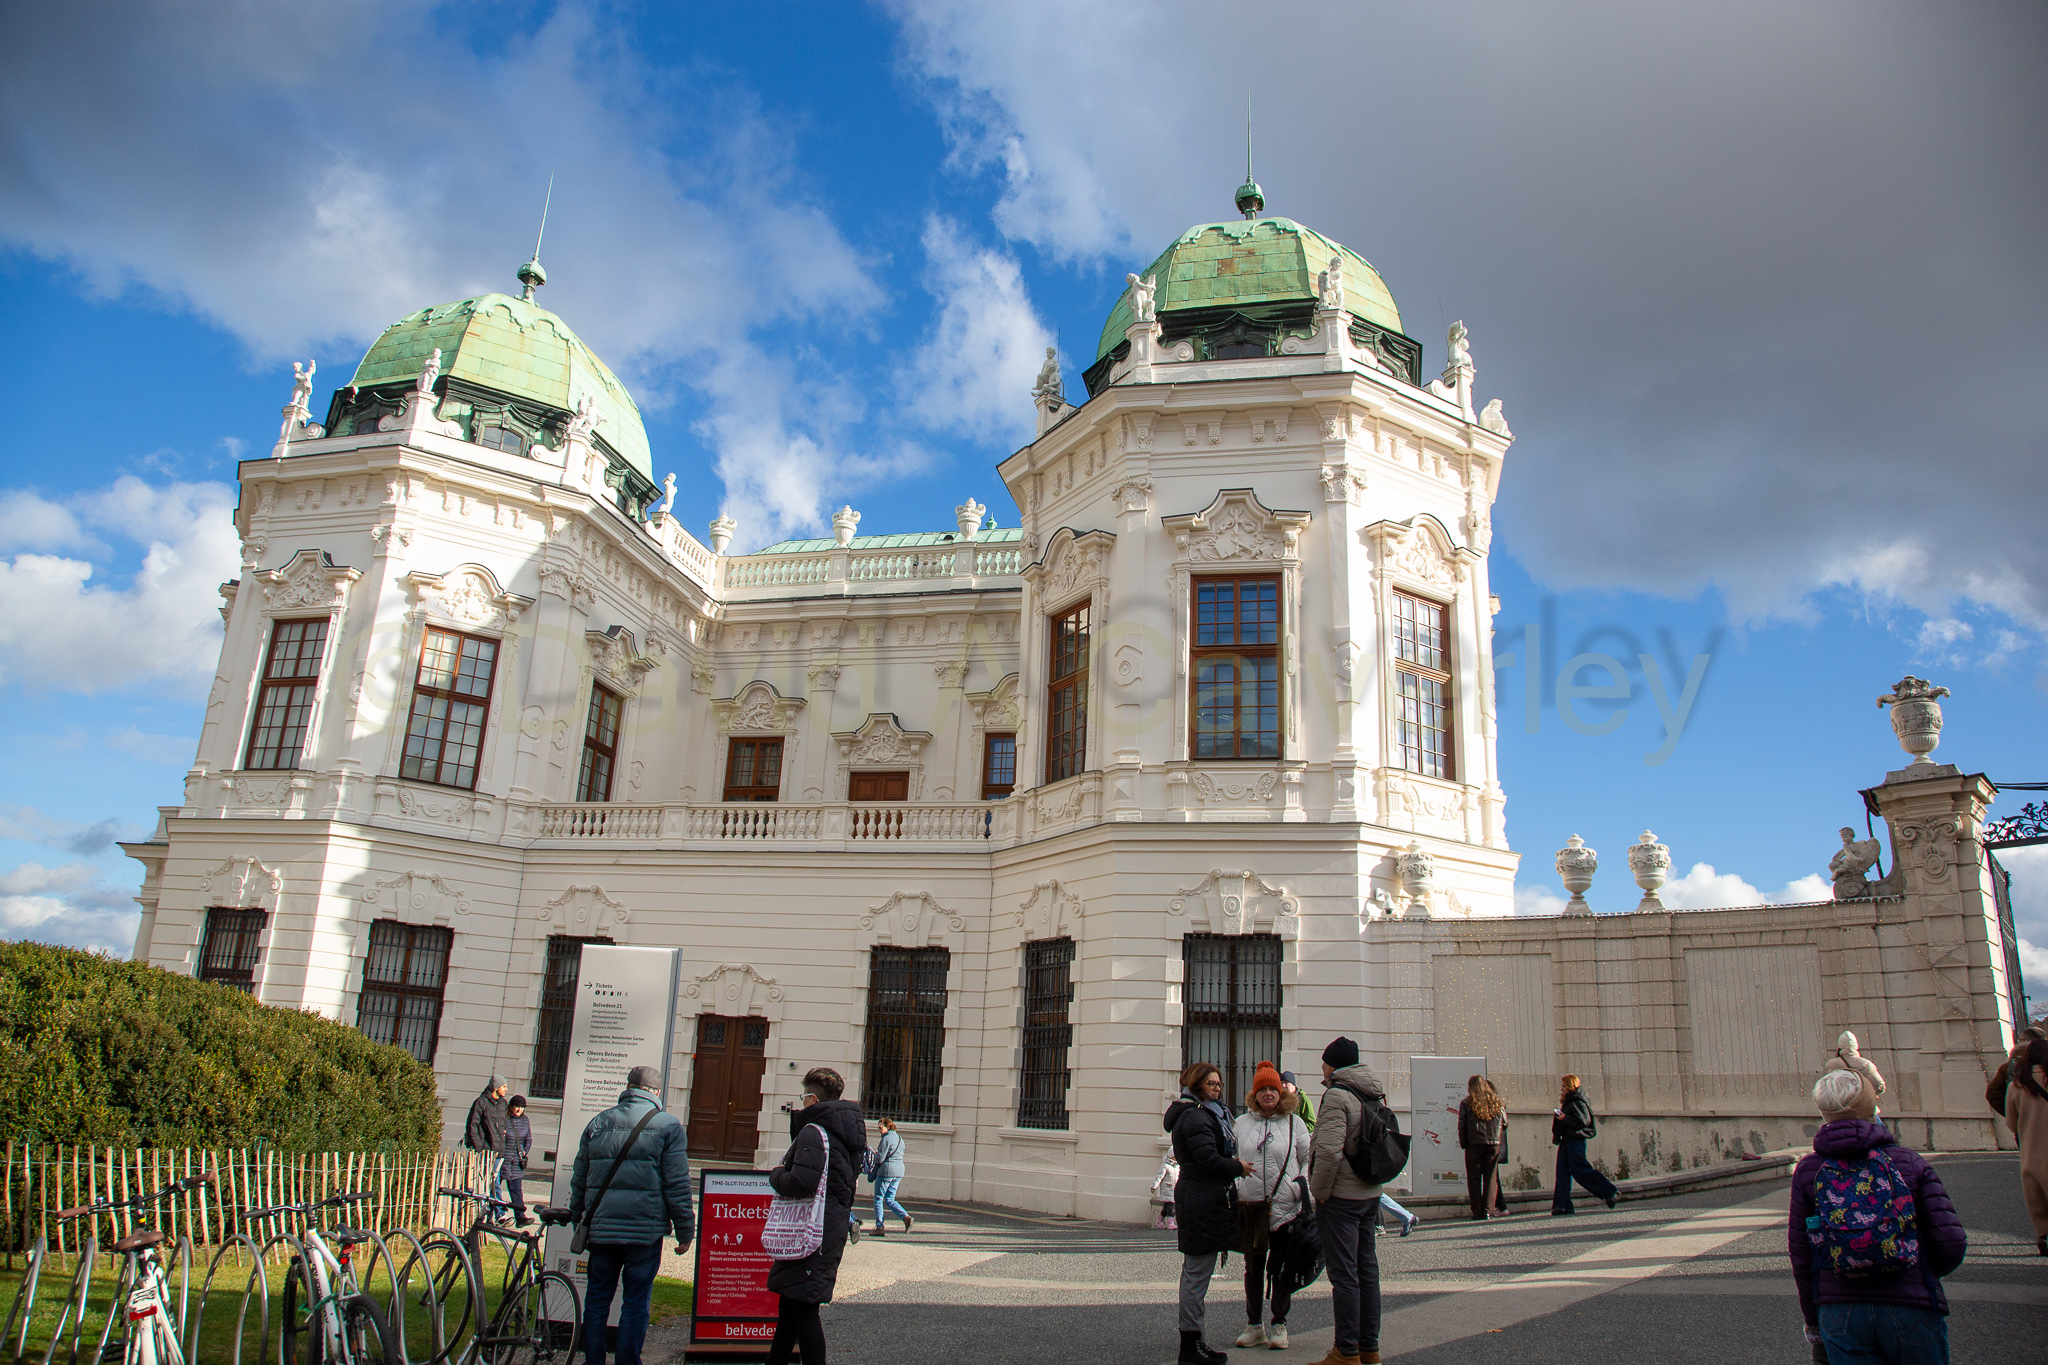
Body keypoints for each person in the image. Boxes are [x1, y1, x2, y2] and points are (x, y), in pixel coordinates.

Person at [1789, 1068, 1966, 1362]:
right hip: (1910, 1302)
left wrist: (1813, 1318)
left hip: (1840, 1309)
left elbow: (1802, 1255)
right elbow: (1950, 1242)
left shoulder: (1809, 1170)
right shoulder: (1908, 1162)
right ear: (1871, 1106)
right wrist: (1919, 1271)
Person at [568, 1065, 693, 1365]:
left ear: (628, 1087)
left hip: (602, 1230)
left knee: (597, 1299)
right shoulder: (668, 1126)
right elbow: (676, 1183)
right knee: (636, 1302)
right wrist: (685, 1230)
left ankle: (593, 1361)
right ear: (657, 1092)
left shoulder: (599, 1122)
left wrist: (577, 1218)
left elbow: (580, 1177)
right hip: (643, 1232)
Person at [763, 1067, 868, 1365]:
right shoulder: (847, 1131)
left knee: (805, 1309)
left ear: (813, 1098)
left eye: (804, 1096)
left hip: (809, 1229)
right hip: (829, 1226)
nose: (802, 1101)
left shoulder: (814, 1131)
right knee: (792, 1302)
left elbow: (802, 1182)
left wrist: (777, 1174)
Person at [1165, 1061, 1252, 1365]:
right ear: (1197, 1084)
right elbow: (1209, 1161)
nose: (1217, 1089)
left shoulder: (1200, 1112)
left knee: (1197, 1273)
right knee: (1197, 1274)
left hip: (1202, 1197)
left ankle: (1195, 1342)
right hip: (1201, 1198)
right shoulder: (1196, 1116)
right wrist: (1238, 1167)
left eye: (1219, 1084)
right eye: (1211, 1084)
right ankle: (1191, 1347)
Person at [1309, 1037, 1386, 1365]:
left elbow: (1329, 1151)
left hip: (1341, 1196)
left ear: (1333, 1064)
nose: (1322, 1067)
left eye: (1324, 1061)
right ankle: (1369, 1348)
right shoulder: (1374, 1092)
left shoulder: (1337, 1095)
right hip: (1369, 1192)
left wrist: (1319, 1191)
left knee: (1344, 1275)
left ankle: (1346, 1351)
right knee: (1367, 1270)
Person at [1230, 1061, 1311, 1350]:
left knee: (1281, 1268)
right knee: (1253, 1268)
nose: (1268, 1093)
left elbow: (1308, 1160)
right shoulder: (1241, 1124)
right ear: (1254, 1093)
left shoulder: (1295, 1123)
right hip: (1251, 1208)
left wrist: (1298, 1188)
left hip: (1285, 1209)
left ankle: (1279, 1323)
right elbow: (1231, 1158)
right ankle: (1254, 1325)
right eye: (1262, 1089)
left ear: (1281, 1093)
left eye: (1273, 1089)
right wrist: (1237, 1185)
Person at [2004, 1028, 2048, 1257]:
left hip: (2032, 1155)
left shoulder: (2016, 1086)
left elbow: (2012, 1124)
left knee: (2039, 1204)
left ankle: (2045, 1237)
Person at [1550, 1074, 1617, 1215]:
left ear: (1570, 1086)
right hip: (1567, 1140)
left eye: (1564, 1086)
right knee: (1562, 1172)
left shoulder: (1577, 1101)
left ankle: (1609, 1191)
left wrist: (1565, 1118)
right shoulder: (1570, 1100)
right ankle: (1562, 1205)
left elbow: (1584, 1121)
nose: (1561, 1089)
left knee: (1580, 1170)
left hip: (1575, 1140)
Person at [1458, 1075, 1506, 1220]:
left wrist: (1464, 1143)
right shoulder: (1496, 1101)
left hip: (1473, 1144)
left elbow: (1462, 1125)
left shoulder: (1466, 1103)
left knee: (1474, 1178)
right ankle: (1488, 1210)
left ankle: (1477, 1211)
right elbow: (1505, 1123)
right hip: (1493, 1144)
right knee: (1491, 1178)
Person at [464, 1075, 509, 1208]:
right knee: (485, 1182)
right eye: (504, 1086)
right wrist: (480, 1147)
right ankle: (495, 1211)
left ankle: (494, 1212)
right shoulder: (481, 1103)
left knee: (495, 1182)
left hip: (498, 1152)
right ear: (496, 1087)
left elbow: (503, 1126)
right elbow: (472, 1126)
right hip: (485, 1151)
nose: (506, 1089)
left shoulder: (503, 1103)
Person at [1987, 1023, 2047, 1120]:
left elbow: (1993, 1094)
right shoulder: (2044, 1066)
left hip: (2024, 1122)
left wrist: (2014, 1114)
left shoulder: (2008, 1067)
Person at [867, 1116, 913, 1236]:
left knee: (878, 1198)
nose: (879, 1130)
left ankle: (879, 1227)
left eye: (881, 1127)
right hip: (899, 1171)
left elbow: (880, 1159)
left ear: (888, 1126)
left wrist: (875, 1156)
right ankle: (906, 1217)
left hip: (886, 1172)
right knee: (890, 1198)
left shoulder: (886, 1139)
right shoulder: (900, 1139)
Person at [501, 1095, 533, 1226]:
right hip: (503, 1160)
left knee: (516, 1190)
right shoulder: (504, 1119)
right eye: (517, 1107)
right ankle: (497, 1215)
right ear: (511, 1107)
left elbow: (528, 1138)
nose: (519, 1110)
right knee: (495, 1188)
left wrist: (525, 1150)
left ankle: (520, 1217)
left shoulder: (525, 1120)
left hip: (517, 1162)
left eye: (521, 1107)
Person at [1152, 1152, 1181, 1230]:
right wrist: (1154, 1186)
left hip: (1174, 1189)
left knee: (1166, 1207)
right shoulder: (1165, 1166)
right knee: (1170, 1207)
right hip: (1167, 1190)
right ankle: (1170, 1223)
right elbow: (1159, 1176)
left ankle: (1159, 1221)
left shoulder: (1177, 1166)